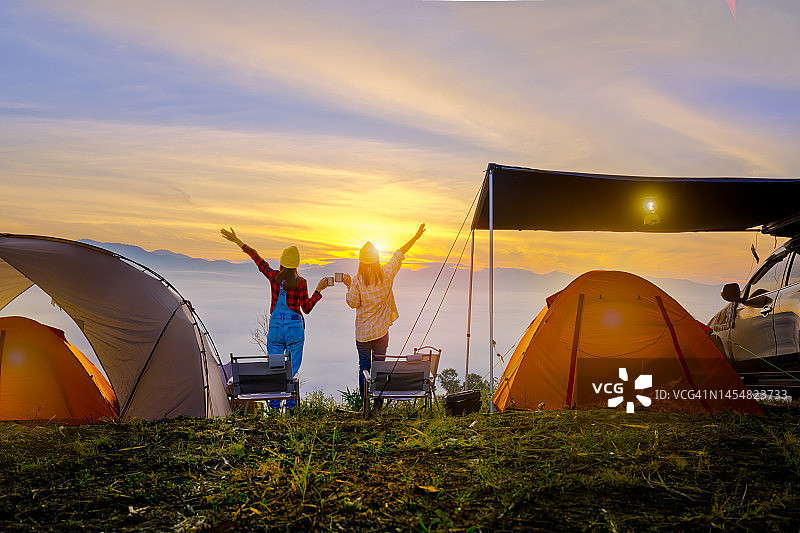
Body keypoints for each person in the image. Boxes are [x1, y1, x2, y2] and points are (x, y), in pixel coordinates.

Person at [220, 227, 329, 409]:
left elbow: (257, 259)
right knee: (292, 371)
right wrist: (319, 290)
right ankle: (291, 406)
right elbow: (307, 308)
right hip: (295, 327)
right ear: (296, 264)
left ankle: (275, 405)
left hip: (276, 327)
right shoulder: (301, 283)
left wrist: (237, 241)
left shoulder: (274, 277)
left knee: (276, 368)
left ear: (282, 262)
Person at [342, 223, 425, 407]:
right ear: (377, 259)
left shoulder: (357, 281)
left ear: (361, 262)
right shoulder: (387, 273)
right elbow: (399, 253)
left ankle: (365, 405)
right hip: (381, 333)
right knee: (379, 367)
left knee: (364, 367)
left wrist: (348, 284)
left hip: (363, 335)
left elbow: (352, 303)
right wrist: (416, 236)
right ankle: (378, 403)